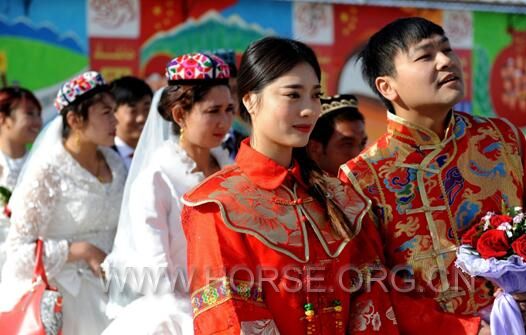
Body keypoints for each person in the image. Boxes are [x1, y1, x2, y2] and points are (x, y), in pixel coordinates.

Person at [181, 37, 399, 334]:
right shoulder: (216, 205)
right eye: (293, 95)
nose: (310, 109)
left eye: (314, 95)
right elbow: (230, 318)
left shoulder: (343, 198)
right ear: (250, 100)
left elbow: (371, 302)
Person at [338, 17, 526, 334]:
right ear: (387, 86)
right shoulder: (362, 177)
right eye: (426, 55)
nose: (446, 61)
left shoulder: (503, 138)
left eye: (447, 49)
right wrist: (468, 329)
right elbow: (372, 289)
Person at [102, 52, 234, 335]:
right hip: (180, 314)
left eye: (229, 109)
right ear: (179, 114)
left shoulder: (230, 168)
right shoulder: (156, 178)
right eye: (213, 111)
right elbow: (158, 273)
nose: (224, 121)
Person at [0, 71, 126, 335]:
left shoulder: (115, 163)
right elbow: (18, 253)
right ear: (74, 119)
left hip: (114, 291)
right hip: (64, 298)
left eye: (114, 111)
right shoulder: (48, 172)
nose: (115, 120)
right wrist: (80, 250)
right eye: (105, 113)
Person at [0, 86, 42, 281]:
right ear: (3, 119)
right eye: (29, 114)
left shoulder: (43, 164)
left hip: (29, 265)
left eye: (38, 114)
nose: (37, 122)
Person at [307, 94, 367, 176]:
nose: (360, 155)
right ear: (315, 149)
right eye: (347, 144)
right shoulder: (291, 187)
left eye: (363, 143)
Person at [110, 76, 153, 170]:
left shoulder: (158, 152)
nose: (141, 118)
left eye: (147, 109)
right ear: (113, 112)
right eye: (133, 110)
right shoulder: (105, 155)